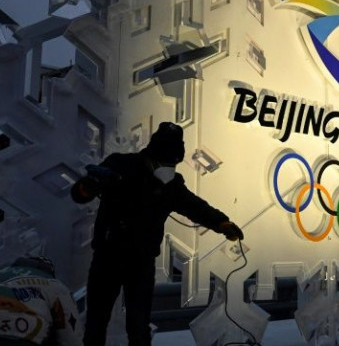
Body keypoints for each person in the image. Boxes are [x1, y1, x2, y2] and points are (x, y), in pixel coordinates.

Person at [71, 121, 244, 346]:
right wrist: (86, 188)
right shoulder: (119, 165)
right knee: (96, 323)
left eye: (173, 164)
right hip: (108, 258)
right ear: (152, 154)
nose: (169, 168)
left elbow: (195, 206)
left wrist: (221, 223)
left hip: (141, 263)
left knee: (139, 326)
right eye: (165, 162)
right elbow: (80, 193)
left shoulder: (171, 184)